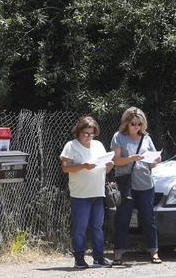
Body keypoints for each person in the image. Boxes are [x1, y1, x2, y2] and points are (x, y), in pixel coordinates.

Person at [60, 115, 114, 269]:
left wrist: (110, 166)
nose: (89, 137)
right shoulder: (71, 146)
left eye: (92, 134)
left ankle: (99, 258)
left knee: (97, 227)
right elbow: (65, 168)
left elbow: (104, 169)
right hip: (80, 195)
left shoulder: (98, 145)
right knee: (80, 228)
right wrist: (83, 166)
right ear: (79, 132)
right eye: (86, 133)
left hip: (98, 192)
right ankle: (79, 259)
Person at [110, 107, 162, 264]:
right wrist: (131, 158)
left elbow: (152, 164)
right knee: (122, 219)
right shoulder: (118, 137)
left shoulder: (146, 138)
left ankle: (154, 252)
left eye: (139, 124)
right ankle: (118, 254)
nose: (136, 127)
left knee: (148, 219)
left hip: (146, 184)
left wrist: (155, 160)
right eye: (133, 123)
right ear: (126, 123)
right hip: (126, 185)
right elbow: (115, 161)